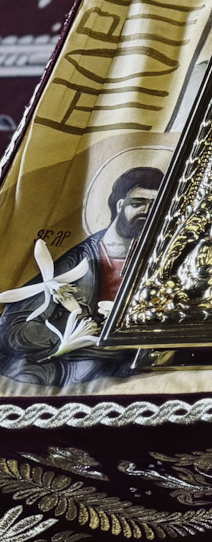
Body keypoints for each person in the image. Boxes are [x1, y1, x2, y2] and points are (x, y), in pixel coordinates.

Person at [0, 166, 162, 388]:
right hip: (73, 358)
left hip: (124, 359)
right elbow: (15, 329)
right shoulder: (79, 260)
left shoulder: (160, 260)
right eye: (137, 203)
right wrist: (73, 335)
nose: (146, 211)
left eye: (155, 205)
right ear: (119, 205)